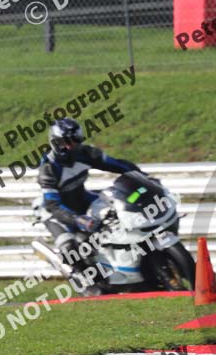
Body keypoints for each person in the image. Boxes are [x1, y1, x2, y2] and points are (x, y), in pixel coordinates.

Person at [36, 118, 141, 279]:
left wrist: (142, 176)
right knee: (69, 248)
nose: (70, 147)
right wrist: (77, 220)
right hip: (55, 211)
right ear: (55, 143)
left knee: (119, 213)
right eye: (65, 143)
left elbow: (119, 165)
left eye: (75, 142)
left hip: (82, 198)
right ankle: (83, 280)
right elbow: (52, 205)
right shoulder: (49, 168)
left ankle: (126, 264)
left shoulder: (86, 154)